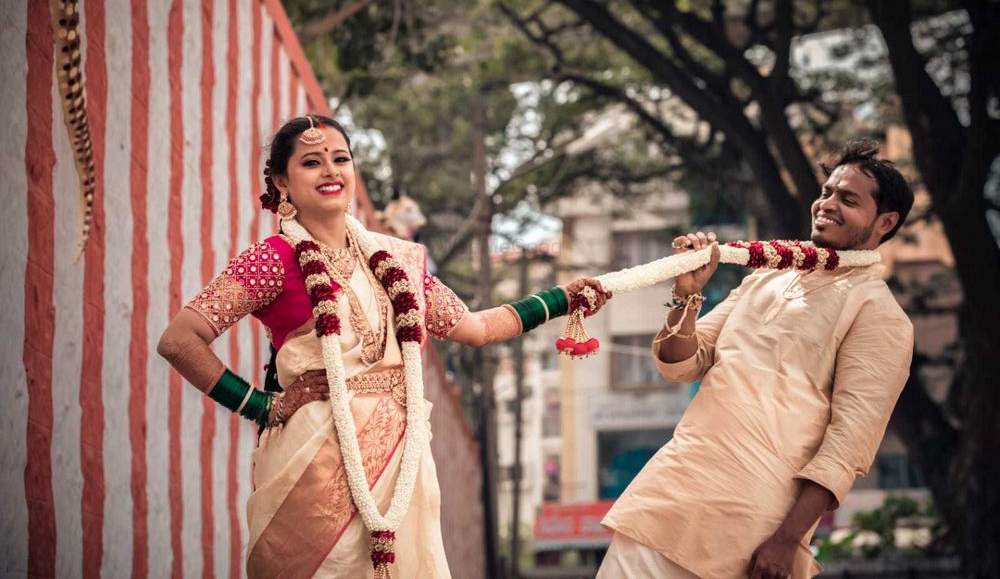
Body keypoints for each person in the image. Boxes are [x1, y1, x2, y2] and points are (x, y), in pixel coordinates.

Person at [156, 115, 610, 578]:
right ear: (281, 182)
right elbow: (179, 340)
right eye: (312, 162)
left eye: (341, 159)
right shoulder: (271, 259)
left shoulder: (398, 260)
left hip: (402, 458)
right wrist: (259, 405)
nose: (331, 171)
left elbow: (472, 327)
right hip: (314, 465)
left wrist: (560, 299)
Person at [597, 140, 915, 579]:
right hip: (669, 497)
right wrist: (687, 293)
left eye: (848, 199)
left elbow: (847, 446)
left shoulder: (879, 314)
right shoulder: (766, 278)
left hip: (751, 529)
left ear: (886, 221)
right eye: (826, 192)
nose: (827, 205)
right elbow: (680, 363)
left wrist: (786, 540)